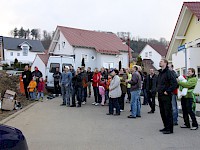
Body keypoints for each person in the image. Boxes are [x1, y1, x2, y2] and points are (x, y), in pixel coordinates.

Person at [157, 59, 178, 134]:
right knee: (162, 111)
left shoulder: (169, 72)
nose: (160, 62)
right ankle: (166, 126)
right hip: (160, 94)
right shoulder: (160, 73)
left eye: (161, 61)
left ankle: (169, 129)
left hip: (166, 95)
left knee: (168, 112)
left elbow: (175, 84)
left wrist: (168, 91)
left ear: (165, 63)